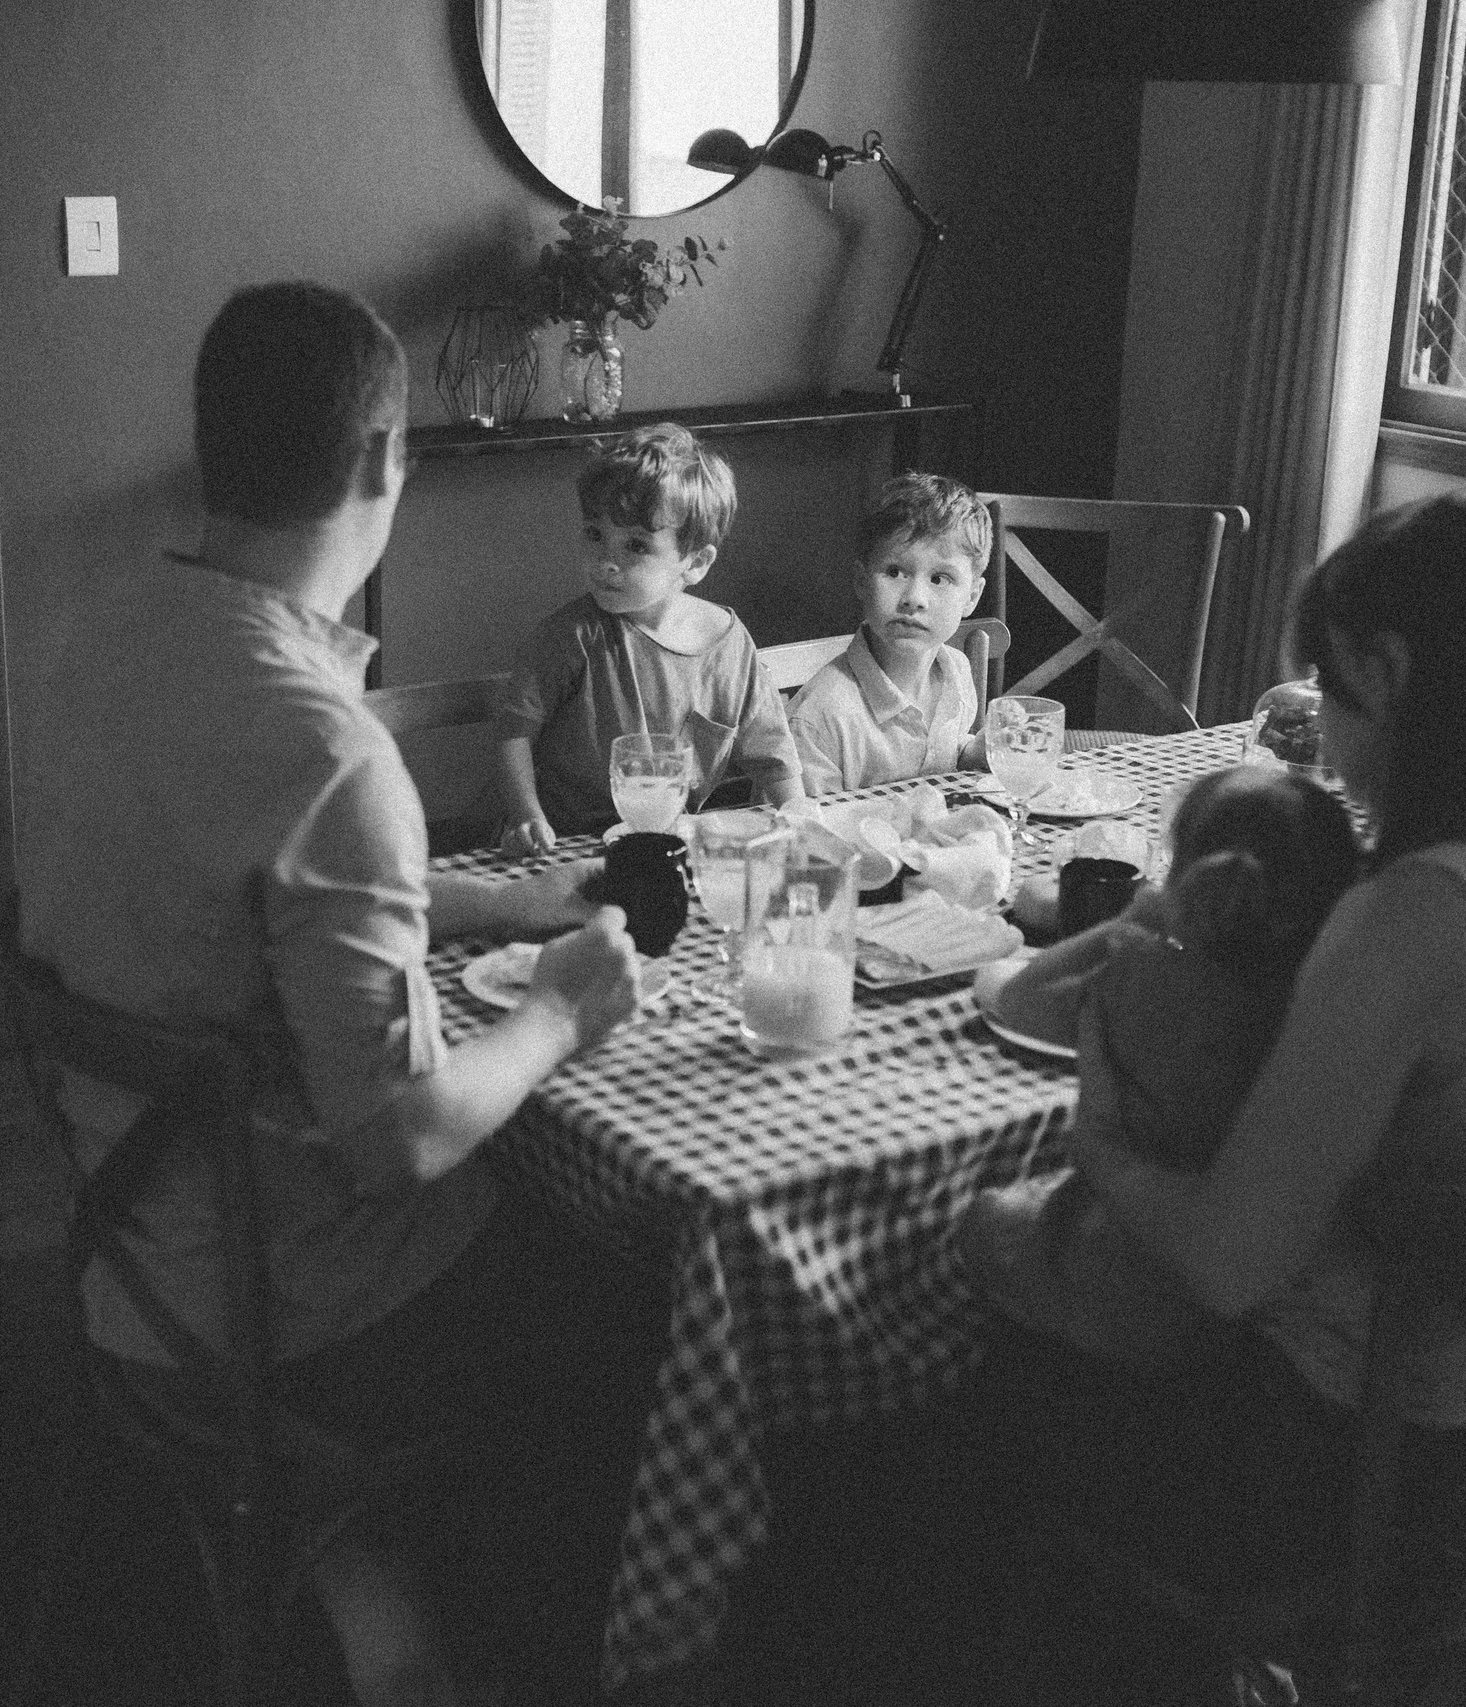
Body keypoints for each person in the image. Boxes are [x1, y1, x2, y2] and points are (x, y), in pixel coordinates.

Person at [16, 281, 652, 1704]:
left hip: (132, 1272)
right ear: (381, 464)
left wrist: (507, 897)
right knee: (632, 1264)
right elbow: (402, 1139)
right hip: (288, 1325)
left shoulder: (94, 648)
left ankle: (374, 1594)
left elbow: (239, 906)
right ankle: (595, 1631)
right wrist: (559, 1007)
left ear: (210, 451)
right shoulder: (326, 746)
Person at [957, 489, 1466, 1697]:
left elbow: (1225, 1264)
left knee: (965, 1348)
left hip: (1367, 1485)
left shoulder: (1419, 916)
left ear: (1384, 670)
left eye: (1325, 690)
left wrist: (1099, 1144)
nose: (1316, 731)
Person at [958, 765, 1358, 1369]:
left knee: (983, 1218)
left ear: (1193, 878)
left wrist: (1135, 916)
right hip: (1264, 1296)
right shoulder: (1329, 994)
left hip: (1127, 1270)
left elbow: (1014, 1001)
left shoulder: (1148, 980)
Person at [492, 422, 802, 850]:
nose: (607, 562)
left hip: (668, 842)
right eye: (595, 534)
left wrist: (800, 823)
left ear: (694, 563)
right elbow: (513, 732)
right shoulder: (572, 635)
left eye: (636, 546)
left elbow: (774, 759)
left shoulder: (729, 644)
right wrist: (526, 815)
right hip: (566, 844)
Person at [787, 472, 993, 795]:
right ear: (861, 581)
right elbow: (805, 834)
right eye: (895, 572)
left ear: (972, 597)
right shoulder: (820, 719)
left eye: (939, 579)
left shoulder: (957, 671)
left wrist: (971, 754)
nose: (914, 598)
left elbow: (942, 758)